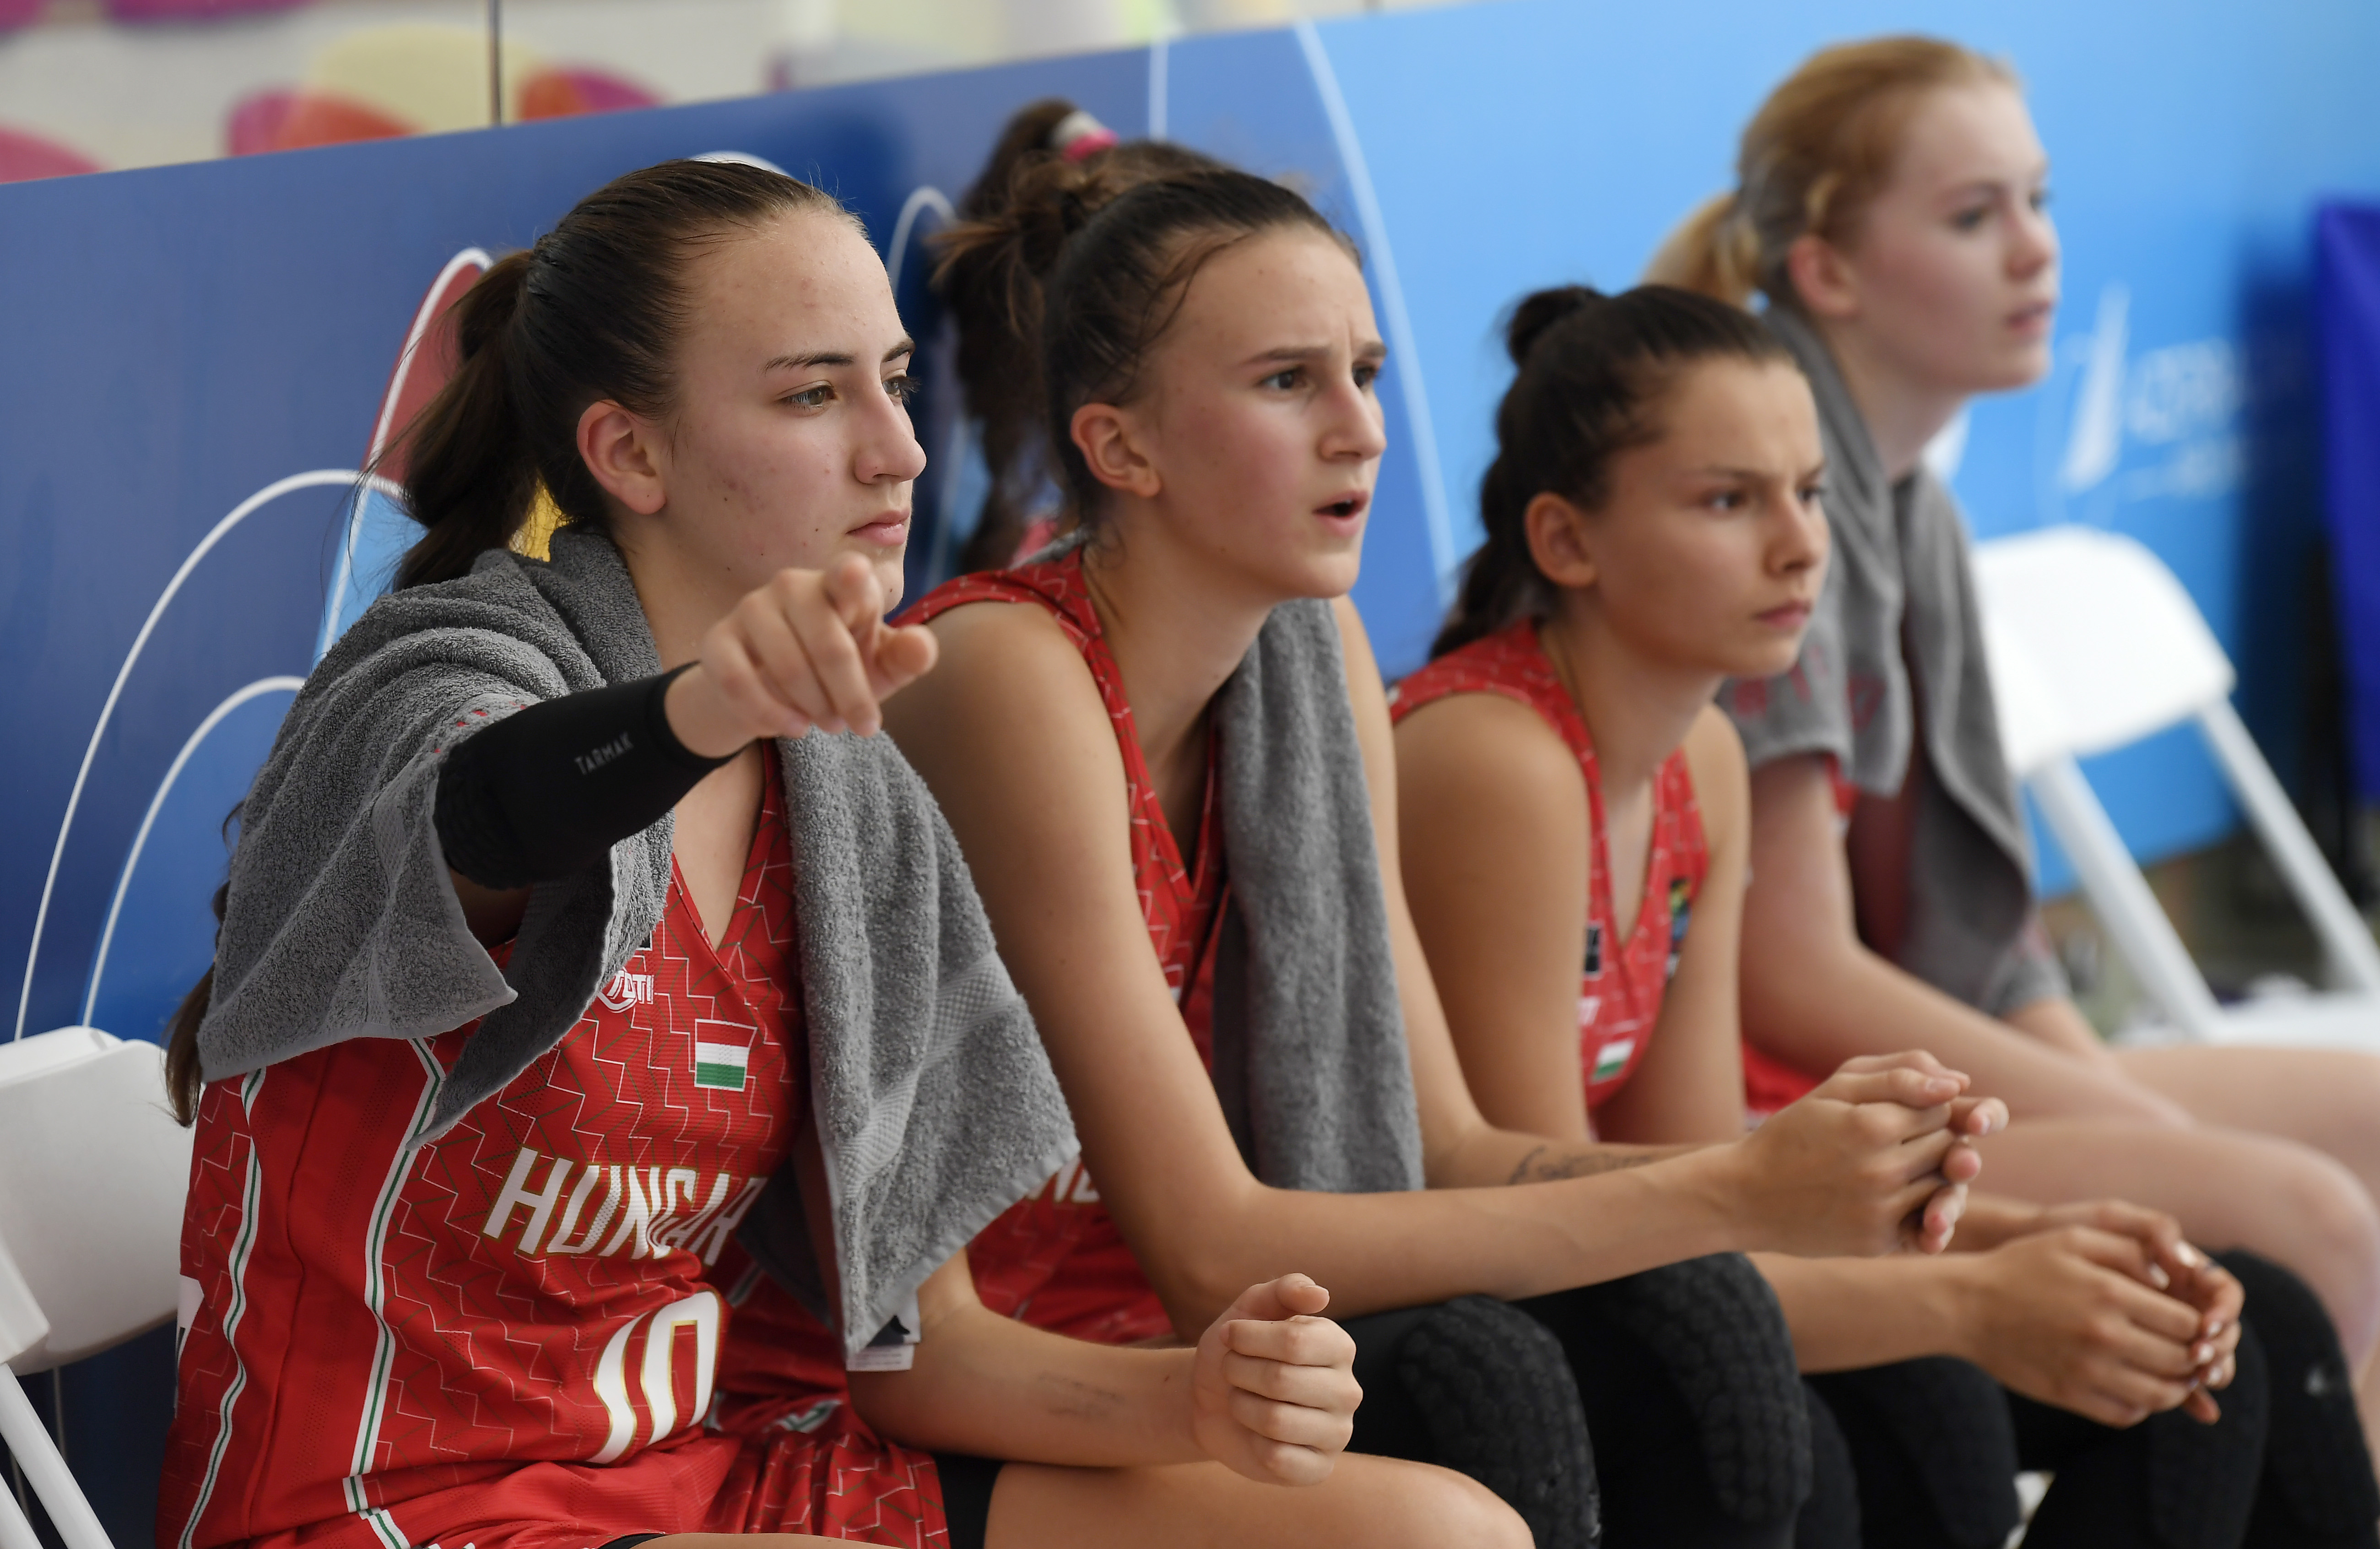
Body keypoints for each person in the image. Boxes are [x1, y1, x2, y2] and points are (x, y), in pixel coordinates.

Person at [154, 158, 1528, 1549]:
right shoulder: (444, 669)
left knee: (1436, 1534)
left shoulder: (846, 793)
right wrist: (694, 713)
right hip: (385, 1506)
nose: (899, 451)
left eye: (895, 381)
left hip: (708, 1478)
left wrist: (1199, 1402)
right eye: (815, 396)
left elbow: (919, 1348)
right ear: (630, 454)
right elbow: (484, 812)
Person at [852, 148, 2010, 1548]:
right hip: (1020, 1380)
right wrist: (1737, 1192)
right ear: (1121, 448)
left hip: (1218, 1346)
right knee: (1496, 1372)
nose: (1362, 431)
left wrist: (1818, 1189)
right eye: (1289, 382)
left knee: (1722, 1337)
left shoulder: (1311, 650)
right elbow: (1211, 1246)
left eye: (1367, 373)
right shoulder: (1010, 674)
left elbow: (1445, 1146)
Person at [1388, 278, 2380, 1549]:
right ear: (1567, 542)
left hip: (1648, 1287)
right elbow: (1565, 1244)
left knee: (2228, 1331)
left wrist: (2025, 1234)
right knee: (1919, 1412)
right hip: (1493, 1319)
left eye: (1810, 493)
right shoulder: (1498, 761)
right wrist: (1975, 1297)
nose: (1802, 546)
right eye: (1728, 501)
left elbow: (1704, 1178)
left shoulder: (1703, 759)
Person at [1644, 37, 2380, 1467]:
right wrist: (2140, 1120)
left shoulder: (1912, 505)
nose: (2037, 251)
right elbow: (1791, 974)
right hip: (1770, 1109)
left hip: (1890, 1071)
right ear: (1828, 270)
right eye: (1975, 216)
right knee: (2311, 1219)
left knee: (2359, 1123)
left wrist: (2129, 1100)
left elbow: (1976, 948)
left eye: (2038, 201)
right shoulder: (1781, 515)